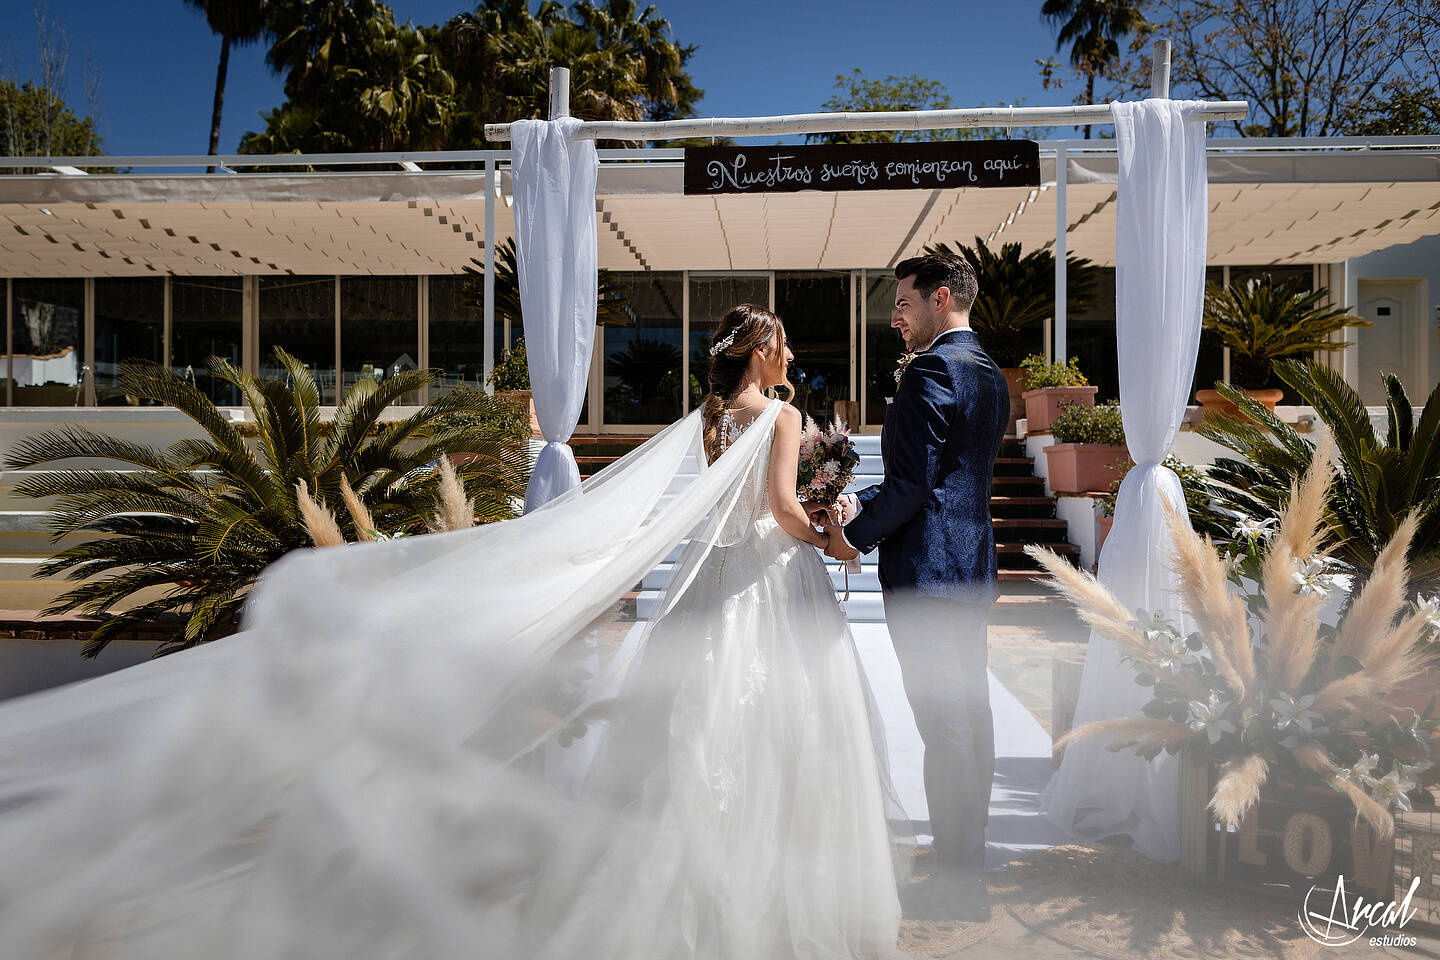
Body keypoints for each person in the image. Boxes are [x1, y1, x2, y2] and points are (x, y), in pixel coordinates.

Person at [0, 303, 911, 960]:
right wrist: (835, 533)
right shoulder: (786, 415)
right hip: (765, 583)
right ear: (761, 355)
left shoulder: (713, 418)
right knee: (782, 731)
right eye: (782, 339)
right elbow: (785, 510)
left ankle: (691, 897)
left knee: (697, 736)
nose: (790, 348)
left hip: (712, 588)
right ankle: (775, 904)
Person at [817, 253, 1010, 922]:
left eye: (903, 301)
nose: (893, 314)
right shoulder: (987, 371)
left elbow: (914, 484)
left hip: (929, 574)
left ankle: (958, 887)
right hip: (969, 569)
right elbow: (946, 474)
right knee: (969, 726)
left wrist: (852, 535)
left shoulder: (933, 369)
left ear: (940, 297)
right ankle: (966, 868)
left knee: (945, 729)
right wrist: (858, 501)